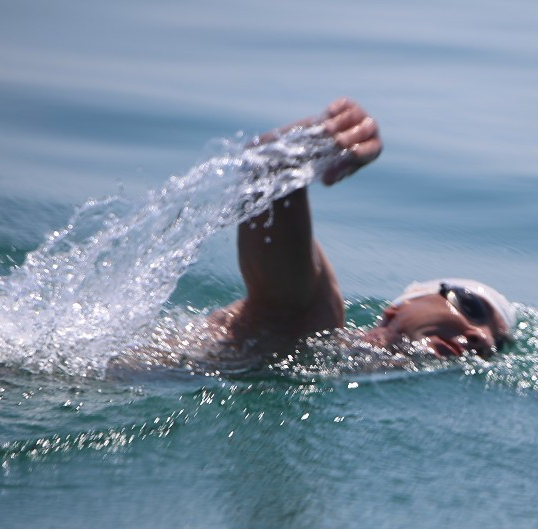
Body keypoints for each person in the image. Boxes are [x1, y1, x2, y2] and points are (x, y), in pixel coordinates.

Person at [204, 98, 515, 362]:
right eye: (471, 307)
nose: (482, 338)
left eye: (496, 345)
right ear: (397, 309)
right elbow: (268, 172)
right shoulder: (314, 323)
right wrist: (314, 144)